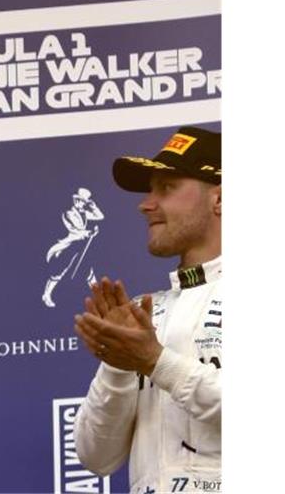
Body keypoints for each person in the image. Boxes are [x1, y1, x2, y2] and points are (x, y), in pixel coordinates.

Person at [73, 126, 221, 494]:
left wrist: (155, 361)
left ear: (220, 199)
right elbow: (96, 456)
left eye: (167, 188)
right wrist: (119, 364)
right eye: (149, 189)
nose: (146, 203)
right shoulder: (146, 312)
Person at [42, 187, 104, 307]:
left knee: (88, 270)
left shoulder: (85, 213)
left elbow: (100, 216)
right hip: (70, 244)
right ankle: (46, 294)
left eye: (82, 201)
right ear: (74, 201)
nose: (79, 203)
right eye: (78, 200)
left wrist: (93, 206)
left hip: (81, 245)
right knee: (60, 269)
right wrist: (89, 233)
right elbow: (76, 230)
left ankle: (99, 296)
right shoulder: (69, 213)